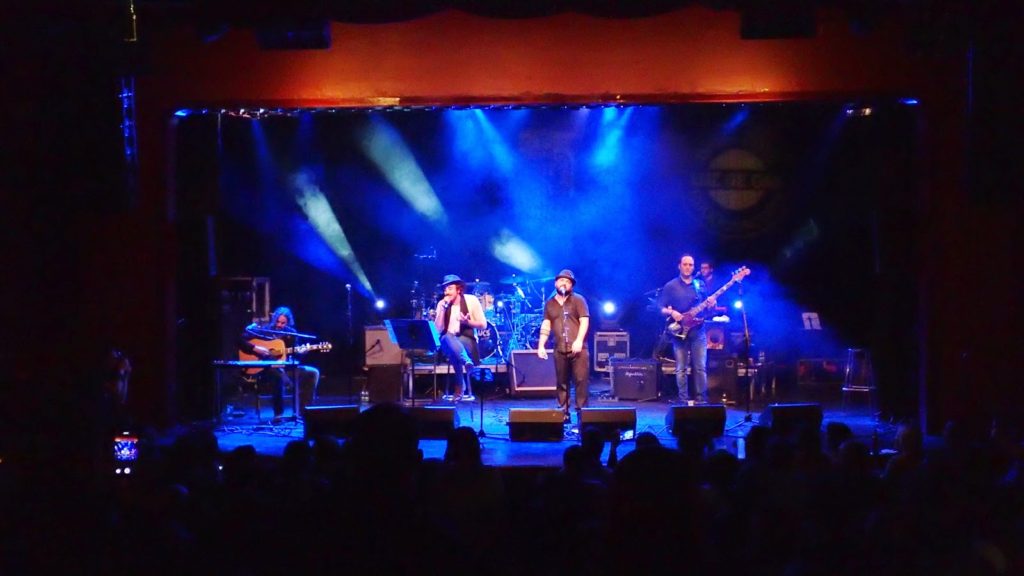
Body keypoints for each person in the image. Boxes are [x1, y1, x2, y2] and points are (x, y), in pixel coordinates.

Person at [238, 306, 321, 424]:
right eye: (277, 321)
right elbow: (241, 341)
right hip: (264, 371)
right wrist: (256, 348)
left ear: (288, 323)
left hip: (286, 369)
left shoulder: (291, 334)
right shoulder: (264, 331)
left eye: (283, 323)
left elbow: (295, 359)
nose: (279, 325)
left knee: (313, 372)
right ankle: (279, 414)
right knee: (276, 369)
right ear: (274, 320)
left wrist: (302, 352)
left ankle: (304, 411)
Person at [659, 254, 715, 404]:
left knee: (700, 367)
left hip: (698, 330)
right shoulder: (671, 286)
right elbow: (660, 308)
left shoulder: (700, 285)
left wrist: (712, 304)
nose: (688, 267)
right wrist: (672, 312)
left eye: (691, 265)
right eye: (685, 264)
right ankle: (683, 399)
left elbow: (707, 309)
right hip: (679, 332)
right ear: (679, 266)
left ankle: (701, 399)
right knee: (681, 368)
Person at [537, 269, 590, 424]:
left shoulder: (578, 300)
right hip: (559, 348)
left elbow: (584, 320)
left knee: (581, 381)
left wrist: (579, 340)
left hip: (578, 348)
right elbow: (546, 323)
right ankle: (564, 413)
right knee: (561, 382)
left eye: (567, 281)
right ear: (555, 283)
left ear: (572, 285)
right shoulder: (550, 303)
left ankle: (582, 414)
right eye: (561, 280)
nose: (564, 283)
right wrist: (541, 345)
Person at [434, 274, 487, 402]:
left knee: (454, 352)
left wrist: (467, 322)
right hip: (447, 341)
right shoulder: (442, 304)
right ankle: (466, 362)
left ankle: (460, 386)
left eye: (450, 288)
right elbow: (438, 330)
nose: (446, 292)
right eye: (445, 289)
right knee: (447, 337)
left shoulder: (471, 300)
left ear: (458, 289)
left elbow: (483, 325)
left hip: (467, 341)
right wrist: (442, 309)